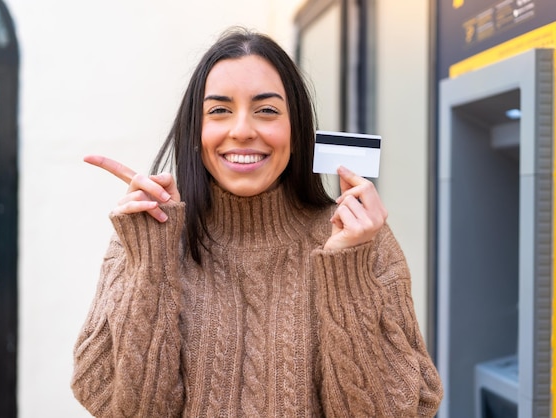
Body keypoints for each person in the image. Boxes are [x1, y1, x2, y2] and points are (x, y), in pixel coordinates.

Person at [71, 27, 443, 417]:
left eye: (266, 110)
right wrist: (151, 263)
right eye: (219, 110)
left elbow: (403, 409)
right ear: (195, 133)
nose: (243, 130)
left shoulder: (362, 240)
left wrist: (348, 271)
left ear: (297, 133)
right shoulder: (147, 239)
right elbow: (122, 408)